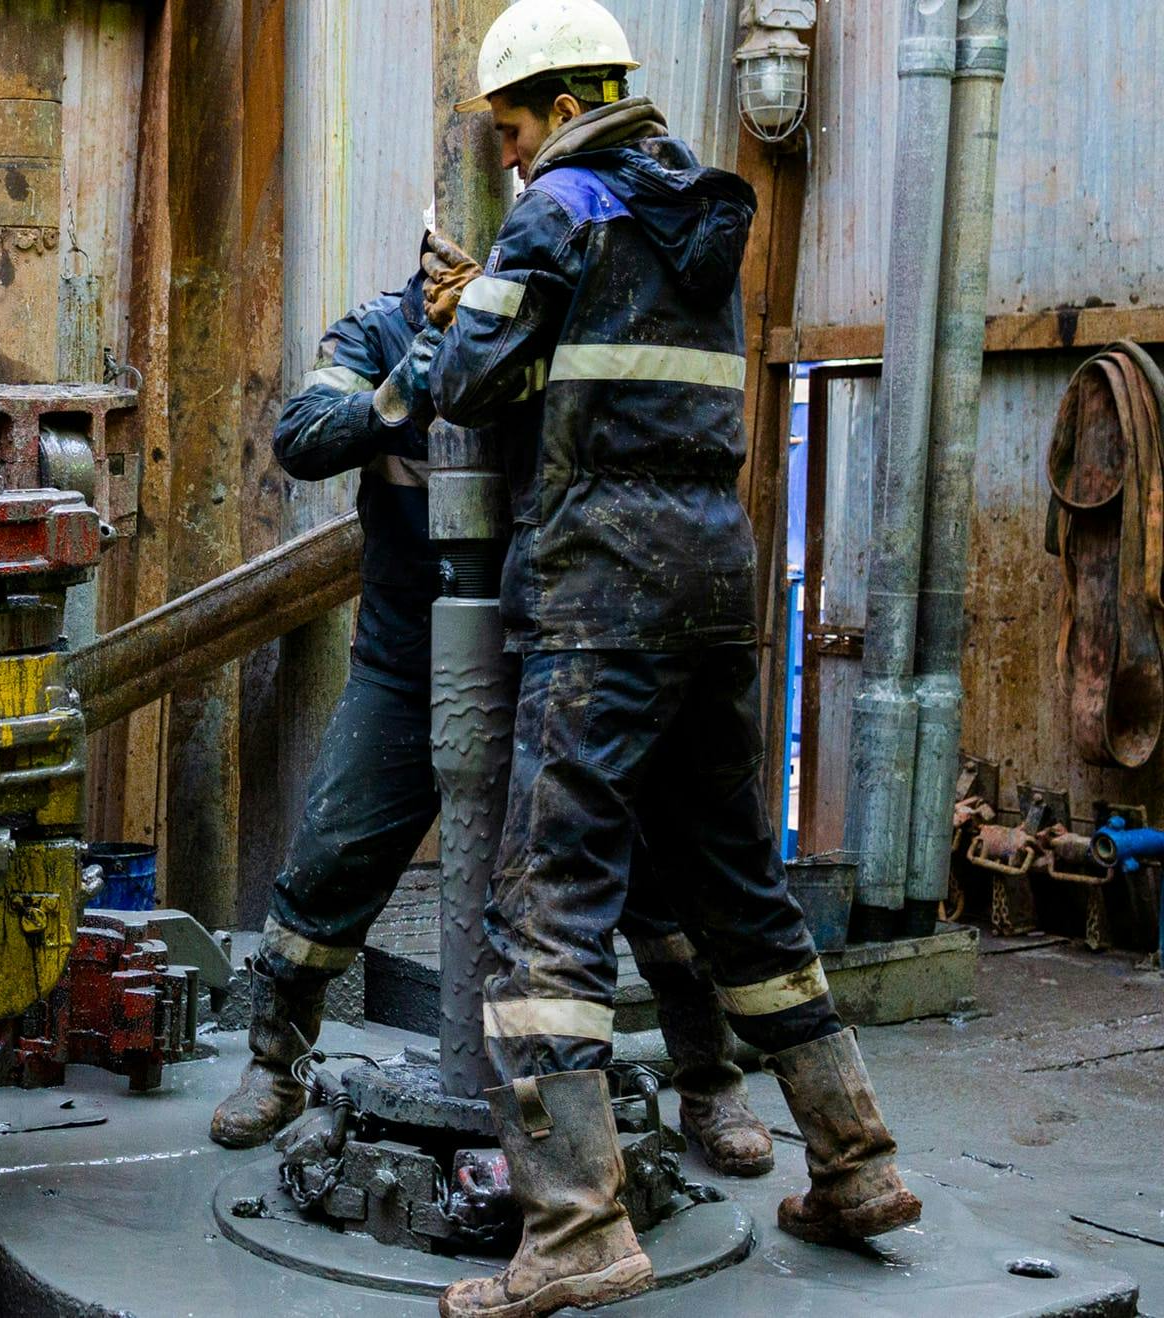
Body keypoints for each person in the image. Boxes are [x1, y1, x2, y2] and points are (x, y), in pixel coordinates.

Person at [423, 3, 921, 1314]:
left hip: (602, 581)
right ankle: (857, 1161)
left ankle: (577, 1226)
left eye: (513, 127)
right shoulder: (698, 213)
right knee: (734, 879)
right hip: (715, 569)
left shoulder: (556, 210)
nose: (512, 152)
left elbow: (469, 383)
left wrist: (465, 300)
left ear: (550, 105)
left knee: (547, 889)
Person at [210, 247, 776, 1188]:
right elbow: (305, 436)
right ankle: (276, 1066)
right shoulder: (376, 334)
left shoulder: (546, 336)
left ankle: (712, 1084)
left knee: (648, 881)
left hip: (547, 660)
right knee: (331, 854)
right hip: (405, 660)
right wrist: (427, 367)